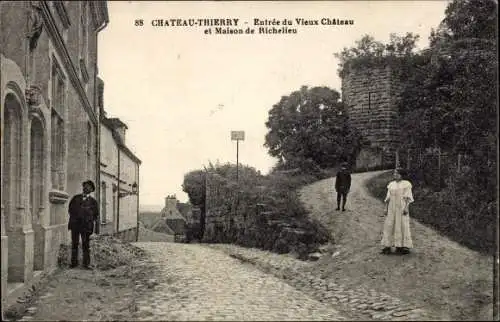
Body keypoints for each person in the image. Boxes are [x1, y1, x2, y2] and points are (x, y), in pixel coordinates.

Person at [381, 168, 414, 255]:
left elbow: (408, 197)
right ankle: (387, 246)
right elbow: (388, 198)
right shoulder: (391, 184)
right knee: (389, 225)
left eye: (397, 173)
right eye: (394, 173)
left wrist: (406, 207)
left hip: (401, 207)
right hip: (392, 207)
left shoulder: (406, 184)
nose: (395, 175)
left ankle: (402, 246)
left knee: (402, 225)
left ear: (401, 175)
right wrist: (386, 208)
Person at [68, 180, 99, 269]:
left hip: (86, 227)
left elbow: (96, 214)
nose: (86, 187)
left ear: (91, 190)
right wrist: (76, 216)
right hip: (75, 225)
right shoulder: (75, 198)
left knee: (86, 245)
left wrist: (88, 220)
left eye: (89, 186)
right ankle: (74, 263)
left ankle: (86, 264)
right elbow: (70, 209)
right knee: (75, 244)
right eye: (85, 186)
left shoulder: (93, 202)